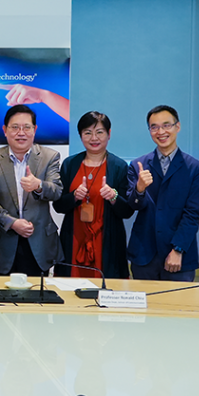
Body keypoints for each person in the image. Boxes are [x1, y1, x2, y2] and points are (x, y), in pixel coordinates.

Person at [126, 105, 199, 281]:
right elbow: (132, 206)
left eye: (166, 125)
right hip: (144, 254)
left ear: (178, 127)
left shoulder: (195, 168)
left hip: (180, 256)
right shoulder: (138, 165)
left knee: (177, 307)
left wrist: (178, 249)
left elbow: (193, 214)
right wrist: (139, 189)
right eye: (154, 127)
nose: (160, 131)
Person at [53, 111, 134, 279]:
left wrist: (113, 197)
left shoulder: (119, 166)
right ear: (81, 136)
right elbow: (58, 205)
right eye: (87, 133)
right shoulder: (70, 164)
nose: (93, 138)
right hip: (74, 238)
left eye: (99, 132)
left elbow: (127, 211)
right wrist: (74, 196)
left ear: (109, 134)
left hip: (107, 242)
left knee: (106, 289)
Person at [0, 106, 63, 277]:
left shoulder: (49, 156)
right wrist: (12, 223)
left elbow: (57, 191)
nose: (21, 133)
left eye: (26, 127)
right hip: (3, 242)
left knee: (36, 298)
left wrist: (39, 185)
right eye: (15, 127)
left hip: (38, 242)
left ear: (34, 130)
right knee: (0, 299)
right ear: (5, 130)